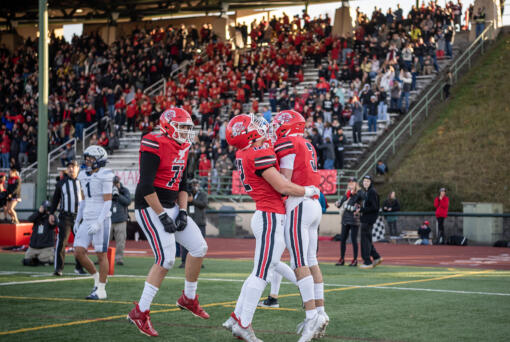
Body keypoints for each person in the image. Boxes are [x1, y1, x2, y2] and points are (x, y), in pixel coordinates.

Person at [222, 113, 322, 342]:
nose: (261, 126)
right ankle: (243, 324)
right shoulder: (257, 153)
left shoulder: (245, 151)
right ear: (248, 134)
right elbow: (282, 185)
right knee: (261, 274)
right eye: (255, 125)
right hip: (270, 216)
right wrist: (308, 190)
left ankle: (237, 317)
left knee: (263, 269)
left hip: (265, 214)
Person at [127, 108, 209, 338]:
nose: (186, 132)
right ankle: (140, 312)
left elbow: (183, 185)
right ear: (168, 126)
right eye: (182, 127)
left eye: (188, 128)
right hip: (149, 206)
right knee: (167, 258)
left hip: (172, 205)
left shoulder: (184, 147)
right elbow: (144, 187)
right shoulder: (154, 142)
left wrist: (182, 212)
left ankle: (189, 298)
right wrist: (162, 215)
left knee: (199, 247)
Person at [262, 109, 329, 340]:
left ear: (286, 125)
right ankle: (320, 312)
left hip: (298, 204)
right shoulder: (307, 144)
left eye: (277, 124)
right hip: (313, 204)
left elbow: (285, 178)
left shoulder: (287, 143)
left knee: (299, 262)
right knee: (311, 261)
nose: (274, 128)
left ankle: (312, 318)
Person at [73, 145, 114, 300]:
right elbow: (82, 200)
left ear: (99, 160)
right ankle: (97, 278)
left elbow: (107, 202)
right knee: (78, 251)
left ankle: (101, 290)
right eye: (87, 158)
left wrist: (98, 222)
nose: (87, 161)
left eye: (91, 158)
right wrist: (78, 219)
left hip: (100, 219)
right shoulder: (83, 175)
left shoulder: (105, 174)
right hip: (87, 217)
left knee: (101, 254)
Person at [49, 160, 85, 276]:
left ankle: (79, 268)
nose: (71, 169)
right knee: (62, 242)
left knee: (80, 244)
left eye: (73, 167)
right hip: (66, 217)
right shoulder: (61, 183)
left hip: (79, 217)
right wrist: (51, 213)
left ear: (78, 168)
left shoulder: (83, 182)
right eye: (69, 167)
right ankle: (58, 268)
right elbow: (55, 199)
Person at [179, 179, 208, 269]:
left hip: (200, 222)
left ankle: (198, 262)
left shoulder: (203, 194)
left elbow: (204, 204)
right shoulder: (185, 194)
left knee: (200, 243)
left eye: (197, 184)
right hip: (189, 222)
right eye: (194, 184)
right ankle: (184, 261)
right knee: (186, 243)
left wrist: (192, 201)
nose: (195, 186)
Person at [335, 177, 361, 267]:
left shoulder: (359, 193)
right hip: (345, 219)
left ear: (356, 183)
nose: (350, 183)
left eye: (352, 182)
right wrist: (338, 203)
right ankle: (341, 259)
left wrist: (347, 206)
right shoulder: (347, 193)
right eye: (349, 182)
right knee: (342, 240)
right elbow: (340, 204)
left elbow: (357, 207)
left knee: (354, 240)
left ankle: (355, 260)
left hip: (354, 219)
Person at [23, 201, 57, 266]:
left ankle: (52, 256)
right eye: (45, 207)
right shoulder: (37, 216)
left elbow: (55, 223)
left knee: (44, 261)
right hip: (33, 247)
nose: (46, 209)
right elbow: (30, 219)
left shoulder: (51, 217)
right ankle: (37, 258)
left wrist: (50, 214)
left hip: (46, 247)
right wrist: (39, 212)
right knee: (26, 261)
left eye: (48, 208)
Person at [359, 175, 382, 269]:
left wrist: (362, 209)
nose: (365, 183)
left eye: (367, 181)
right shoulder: (368, 192)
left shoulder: (372, 192)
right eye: (364, 181)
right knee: (367, 239)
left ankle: (367, 261)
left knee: (365, 240)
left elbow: (374, 207)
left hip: (368, 220)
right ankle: (376, 257)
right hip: (366, 219)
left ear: (371, 182)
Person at [110, 176, 131, 265]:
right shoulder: (107, 190)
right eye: (114, 183)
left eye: (116, 183)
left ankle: (119, 259)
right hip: (109, 219)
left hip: (121, 220)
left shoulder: (124, 190)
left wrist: (118, 194)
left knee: (120, 242)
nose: (115, 185)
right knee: (104, 241)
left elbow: (128, 202)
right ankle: (102, 257)